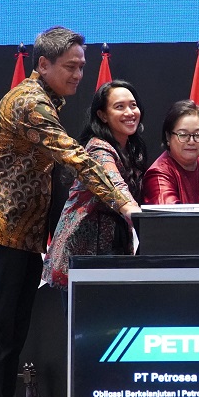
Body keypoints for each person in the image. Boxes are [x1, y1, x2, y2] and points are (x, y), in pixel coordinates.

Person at [0, 27, 140, 397]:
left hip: (20, 236)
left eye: (82, 66)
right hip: (1, 235)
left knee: (10, 338)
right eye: (71, 66)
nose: (79, 74)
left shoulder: (44, 100)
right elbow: (75, 156)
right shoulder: (31, 102)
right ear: (43, 64)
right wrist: (126, 204)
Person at [43, 80, 148, 308]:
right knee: (86, 330)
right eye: (119, 107)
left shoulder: (131, 149)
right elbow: (114, 184)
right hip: (81, 258)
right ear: (102, 115)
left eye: (133, 105)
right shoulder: (98, 148)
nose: (130, 112)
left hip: (112, 254)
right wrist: (136, 214)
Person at [142, 99, 199, 204]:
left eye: (198, 134)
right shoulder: (158, 174)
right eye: (183, 135)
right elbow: (169, 213)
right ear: (168, 137)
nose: (191, 141)